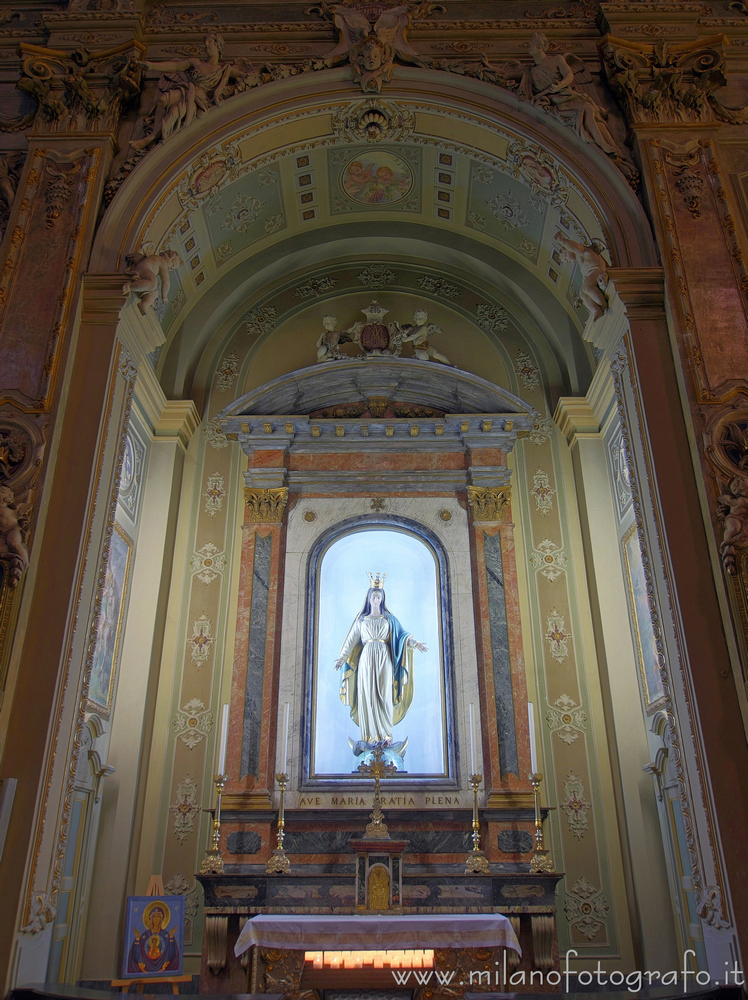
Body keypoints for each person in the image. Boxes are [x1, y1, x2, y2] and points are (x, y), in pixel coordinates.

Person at [334, 576, 427, 744]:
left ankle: (385, 736)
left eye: (378, 597)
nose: (376, 600)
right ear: (368, 599)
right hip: (366, 660)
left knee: (383, 694)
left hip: (384, 659)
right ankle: (369, 738)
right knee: (368, 694)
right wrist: (342, 658)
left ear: (382, 599)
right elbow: (350, 641)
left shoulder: (389, 619)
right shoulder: (361, 621)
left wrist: (415, 643)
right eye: (373, 597)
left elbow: (402, 635)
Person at [127, 902, 180, 974]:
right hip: (146, 966)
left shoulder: (166, 935)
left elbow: (170, 955)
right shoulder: (145, 935)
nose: (156, 919)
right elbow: (138, 956)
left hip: (163, 966)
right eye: (154, 916)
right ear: (150, 919)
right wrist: (137, 939)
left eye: (158, 917)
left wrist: (171, 938)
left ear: (162, 919)